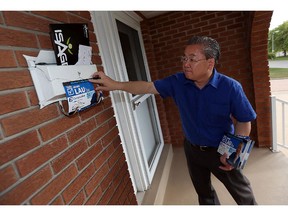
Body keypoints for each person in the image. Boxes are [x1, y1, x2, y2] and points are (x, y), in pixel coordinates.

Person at [89, 36, 257, 205]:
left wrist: (233, 152)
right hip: (192, 150)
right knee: (205, 195)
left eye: (192, 59)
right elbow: (148, 87)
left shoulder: (230, 87)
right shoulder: (178, 81)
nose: (186, 63)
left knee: (243, 195)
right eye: (184, 58)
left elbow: (243, 120)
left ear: (210, 62)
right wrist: (116, 84)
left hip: (221, 150)